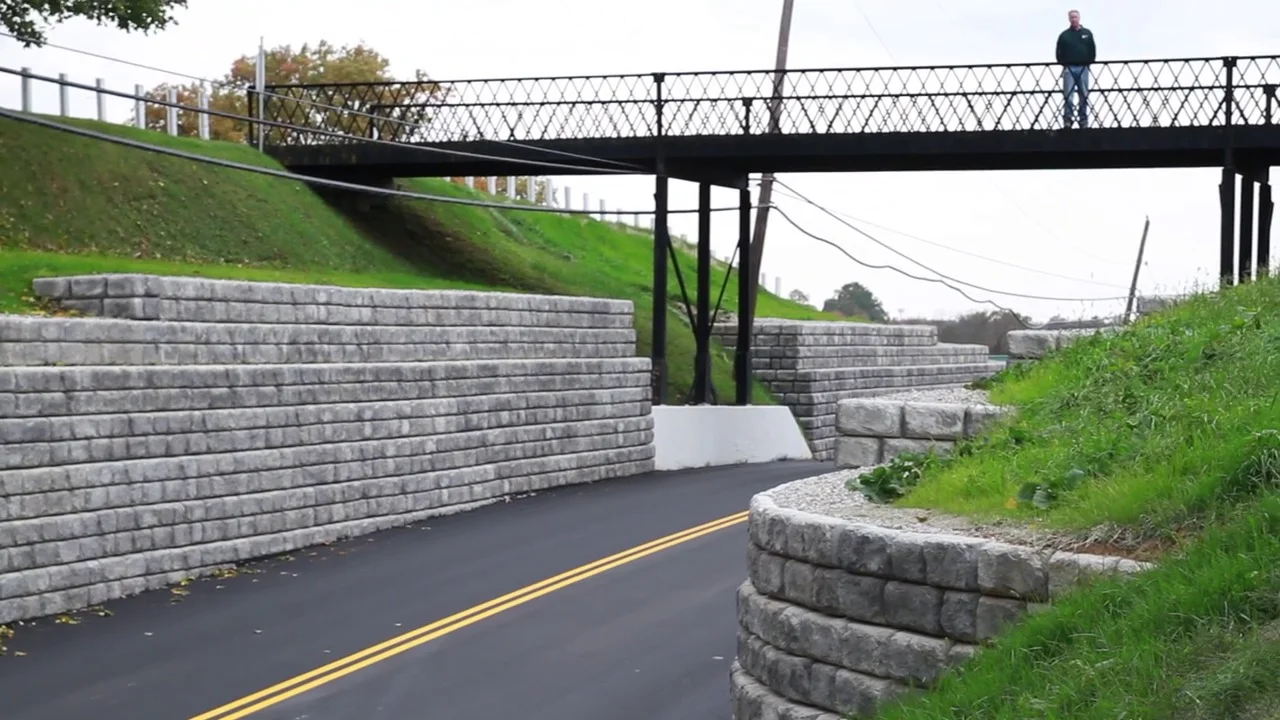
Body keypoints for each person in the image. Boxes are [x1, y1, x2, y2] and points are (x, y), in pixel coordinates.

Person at [1055, 9, 1096, 128]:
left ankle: (1083, 120)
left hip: (1083, 67)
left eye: (1075, 17)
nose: (1074, 19)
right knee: (1068, 95)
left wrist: (1089, 61)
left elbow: (1092, 49)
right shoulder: (1064, 35)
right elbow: (1058, 51)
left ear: (1079, 18)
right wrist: (1064, 63)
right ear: (1069, 19)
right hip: (1069, 67)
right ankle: (1068, 120)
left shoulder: (1087, 33)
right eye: (1072, 17)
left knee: (1084, 94)